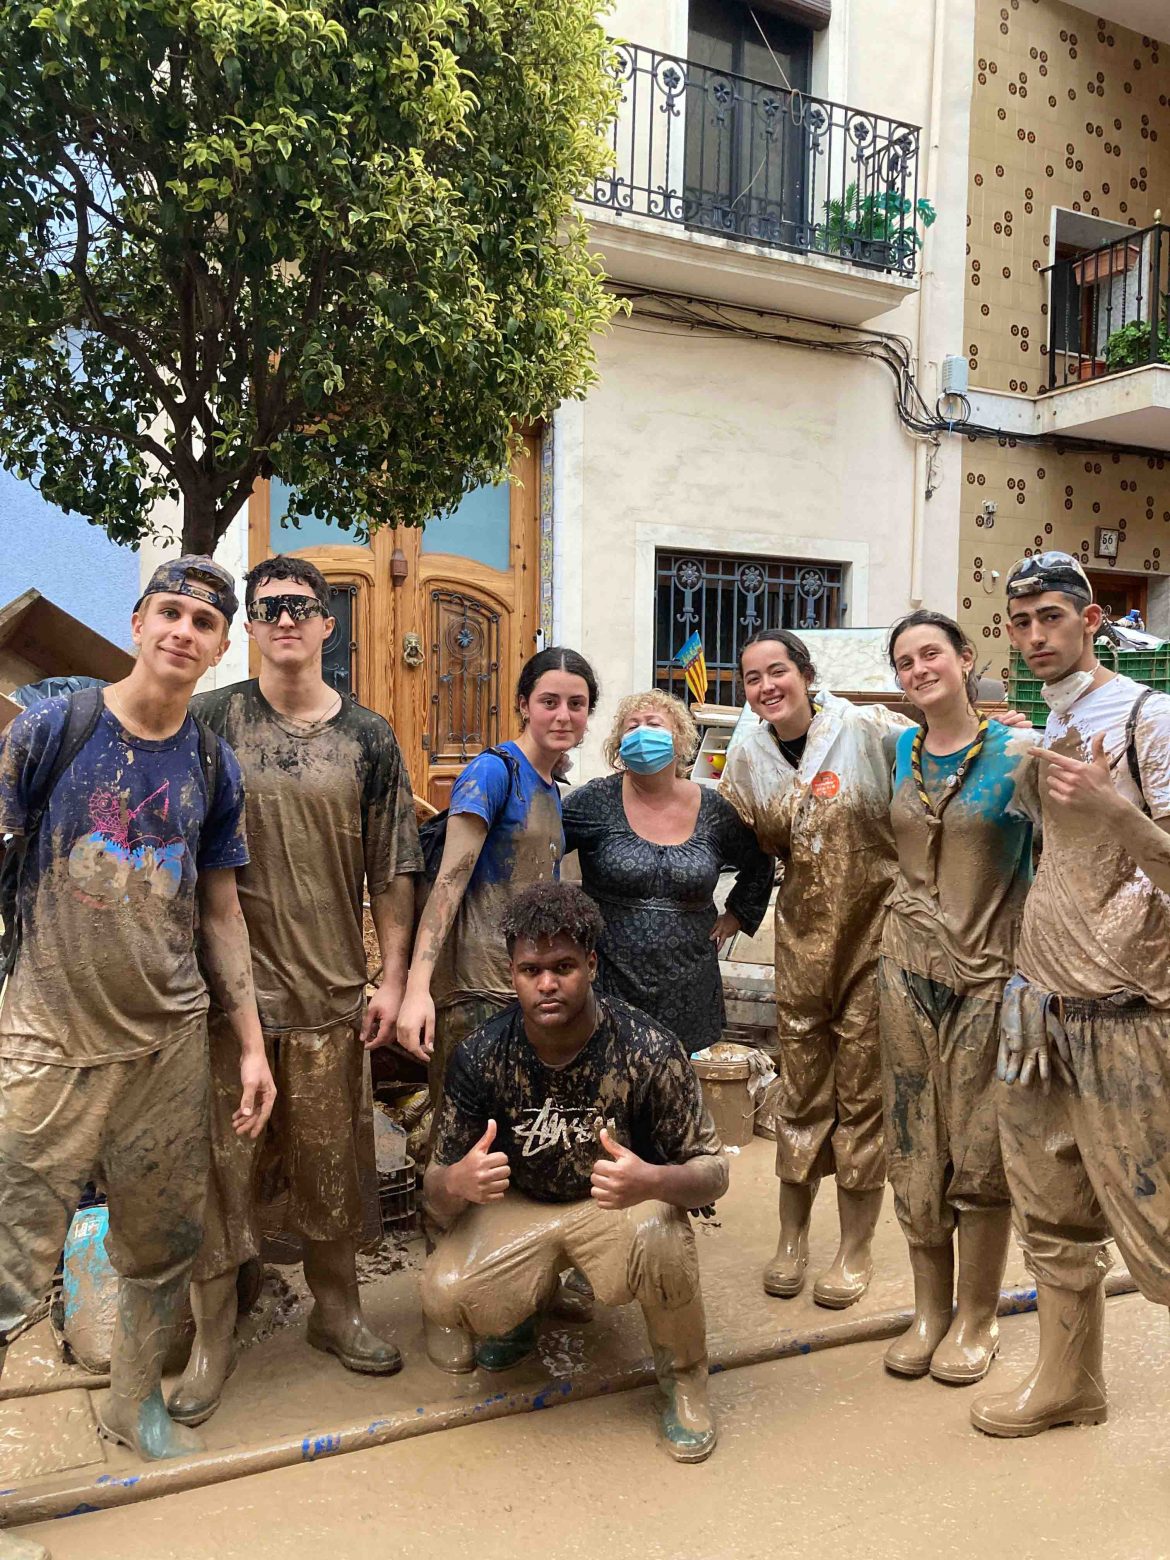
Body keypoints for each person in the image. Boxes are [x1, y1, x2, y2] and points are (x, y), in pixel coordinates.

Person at [0, 559, 276, 1508]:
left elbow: (222, 914)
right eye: (171, 611)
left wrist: (250, 1044)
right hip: (46, 1042)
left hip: (168, 1044)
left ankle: (131, 1405)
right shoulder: (53, 728)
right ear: (137, 620)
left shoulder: (210, 763)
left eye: (205, 621)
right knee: (8, 1255)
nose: (184, 631)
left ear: (219, 646)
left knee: (161, 1242)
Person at [167, 555, 423, 1428]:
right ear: (249, 630)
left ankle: (337, 1312)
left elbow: (393, 868)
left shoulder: (369, 738)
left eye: (300, 607)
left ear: (326, 626)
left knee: (333, 1166)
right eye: (269, 607)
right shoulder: (209, 722)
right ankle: (210, 1340)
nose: (284, 620)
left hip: (329, 998)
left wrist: (391, 977)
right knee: (216, 1174)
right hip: (220, 1004)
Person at [419, 881, 728, 1463]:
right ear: (511, 974)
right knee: (445, 1291)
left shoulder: (647, 1049)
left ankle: (685, 1380)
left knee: (661, 1237)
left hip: (612, 1205)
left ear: (591, 964)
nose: (546, 983)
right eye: (530, 969)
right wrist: (455, 1183)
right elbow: (434, 1190)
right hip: (521, 1207)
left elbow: (713, 1174)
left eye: (563, 966)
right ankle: (522, 1310)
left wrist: (653, 1181)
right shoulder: (482, 1055)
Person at [971, 552, 1170, 1439]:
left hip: (1130, 1006)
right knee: (1049, 1207)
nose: (1034, 636)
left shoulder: (1147, 718)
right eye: (1019, 622)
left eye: (1050, 617)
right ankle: (1068, 1381)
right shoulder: (1040, 725)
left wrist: (1113, 805)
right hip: (1040, 1002)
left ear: (1092, 622)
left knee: (1159, 1218)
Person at [719, 628, 910, 1309]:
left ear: (804, 673)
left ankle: (852, 1249)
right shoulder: (745, 755)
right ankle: (791, 1240)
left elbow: (935, 775)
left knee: (863, 1095)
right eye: (751, 677)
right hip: (801, 942)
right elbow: (743, 850)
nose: (766, 686)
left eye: (778, 671)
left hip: (875, 938)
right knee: (801, 1095)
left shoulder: (866, 730)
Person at [879, 611, 1036, 1385]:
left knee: (980, 1149)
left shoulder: (1020, 751)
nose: (919, 669)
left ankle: (978, 1315)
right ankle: (929, 1309)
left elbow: (1061, 859)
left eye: (931, 653)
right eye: (905, 661)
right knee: (913, 1145)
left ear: (966, 659)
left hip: (988, 978)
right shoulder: (894, 751)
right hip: (905, 971)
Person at [396, 646, 598, 1106]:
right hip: (474, 995)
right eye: (549, 702)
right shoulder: (492, 772)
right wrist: (416, 992)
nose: (563, 715)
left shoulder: (548, 784)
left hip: (523, 992)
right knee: (463, 1141)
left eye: (576, 704)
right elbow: (449, 883)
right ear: (524, 705)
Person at [562, 689, 773, 1052]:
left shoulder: (714, 810)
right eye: (633, 727)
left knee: (681, 1086)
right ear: (619, 744)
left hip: (689, 982)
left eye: (654, 724)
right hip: (611, 979)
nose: (642, 733)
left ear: (679, 739)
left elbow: (760, 861)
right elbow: (539, 847)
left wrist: (736, 915)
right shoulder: (595, 802)